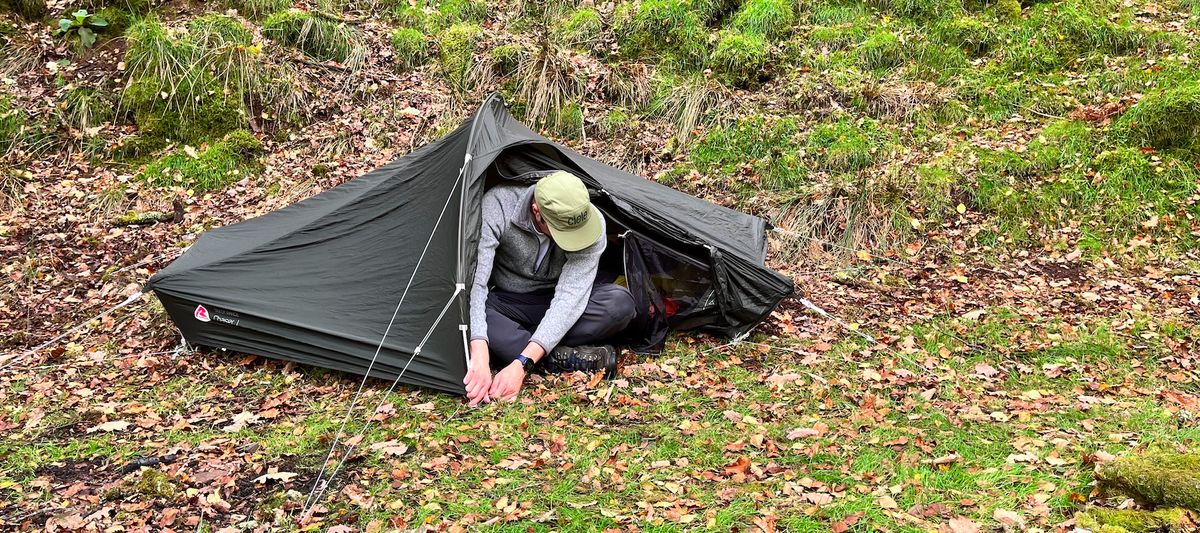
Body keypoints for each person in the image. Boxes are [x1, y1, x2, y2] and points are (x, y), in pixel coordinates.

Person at [463, 171, 636, 406]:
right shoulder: (498, 206)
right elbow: (476, 284)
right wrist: (480, 355)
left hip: (557, 299)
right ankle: (560, 356)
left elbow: (570, 296)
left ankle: (520, 345)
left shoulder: (591, 223)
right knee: (469, 313)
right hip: (506, 302)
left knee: (619, 305)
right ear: (536, 210)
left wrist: (522, 363)